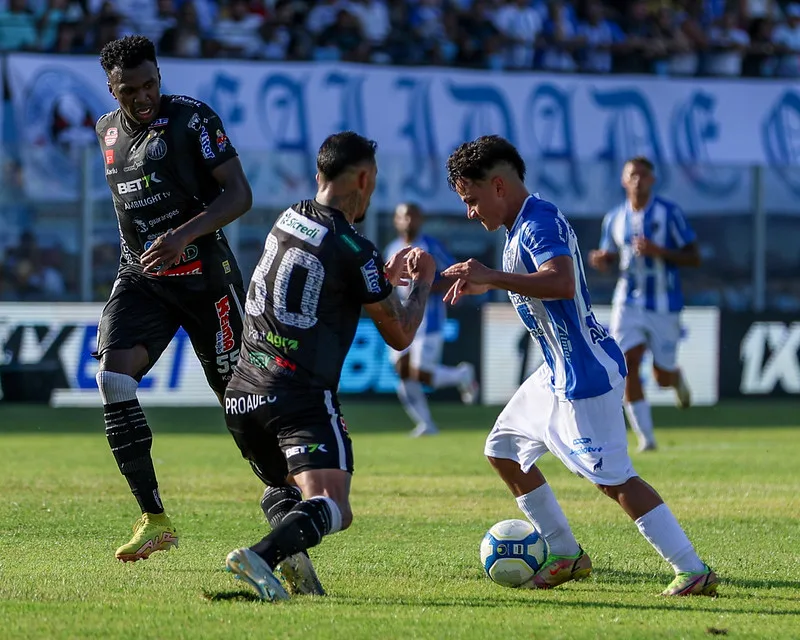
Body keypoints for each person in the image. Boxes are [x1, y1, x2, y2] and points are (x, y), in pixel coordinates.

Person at [441, 135, 717, 597]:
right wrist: (481, 280)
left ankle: (692, 569)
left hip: (584, 373)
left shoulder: (537, 222)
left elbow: (562, 282)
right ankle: (565, 553)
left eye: (472, 199)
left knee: (614, 480)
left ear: (499, 185)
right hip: (556, 370)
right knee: (503, 449)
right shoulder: (520, 226)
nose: (471, 211)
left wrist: (491, 279)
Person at [222, 131, 436, 601]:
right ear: (363, 178)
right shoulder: (354, 247)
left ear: (319, 174)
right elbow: (400, 334)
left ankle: (299, 581)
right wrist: (421, 284)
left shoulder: (288, 217)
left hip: (241, 394)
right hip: (296, 395)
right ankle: (261, 556)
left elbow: (324, 274)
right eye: (374, 181)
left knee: (286, 489)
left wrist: (377, 275)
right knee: (334, 504)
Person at [93, 35, 253, 562]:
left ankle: (293, 518)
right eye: (130, 89)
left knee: (244, 409)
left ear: (160, 76)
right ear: (111, 88)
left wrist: (185, 233)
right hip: (144, 277)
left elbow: (238, 194)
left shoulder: (192, 120)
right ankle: (154, 518)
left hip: (206, 278)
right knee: (112, 377)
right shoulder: (106, 132)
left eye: (151, 84)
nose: (144, 97)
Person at [588, 157, 700, 452]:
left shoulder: (669, 213)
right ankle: (646, 439)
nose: (637, 180)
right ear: (624, 181)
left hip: (665, 303)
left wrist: (659, 251)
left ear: (652, 180)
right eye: (631, 175)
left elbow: (694, 256)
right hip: (627, 301)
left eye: (643, 175)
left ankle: (674, 377)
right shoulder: (614, 218)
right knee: (625, 364)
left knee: (661, 377)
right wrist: (602, 260)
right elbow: (610, 256)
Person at [384, 202, 479, 437]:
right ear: (396, 221)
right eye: (403, 217)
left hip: (430, 320)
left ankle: (462, 375)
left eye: (413, 217)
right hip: (402, 317)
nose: (408, 221)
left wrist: (425, 283)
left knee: (421, 373)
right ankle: (426, 424)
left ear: (420, 220)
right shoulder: (393, 249)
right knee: (403, 373)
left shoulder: (430, 246)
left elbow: (454, 274)